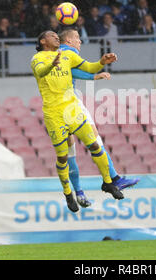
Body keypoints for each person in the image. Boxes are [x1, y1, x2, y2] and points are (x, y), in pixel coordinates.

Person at [30, 30, 124, 212]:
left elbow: (88, 67)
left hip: (72, 110)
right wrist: (52, 65)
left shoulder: (66, 55)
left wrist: (102, 62)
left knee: (95, 145)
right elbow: (40, 72)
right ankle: (68, 193)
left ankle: (108, 183)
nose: (56, 37)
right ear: (43, 41)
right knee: (63, 157)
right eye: (52, 36)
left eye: (58, 36)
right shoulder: (37, 58)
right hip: (54, 114)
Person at [58, 28, 140, 207]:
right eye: (77, 38)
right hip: (70, 104)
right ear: (69, 40)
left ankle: (78, 192)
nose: (80, 42)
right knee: (95, 142)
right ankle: (112, 179)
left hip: (55, 110)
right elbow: (80, 69)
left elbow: (68, 72)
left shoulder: (52, 55)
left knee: (68, 153)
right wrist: (96, 75)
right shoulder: (69, 51)